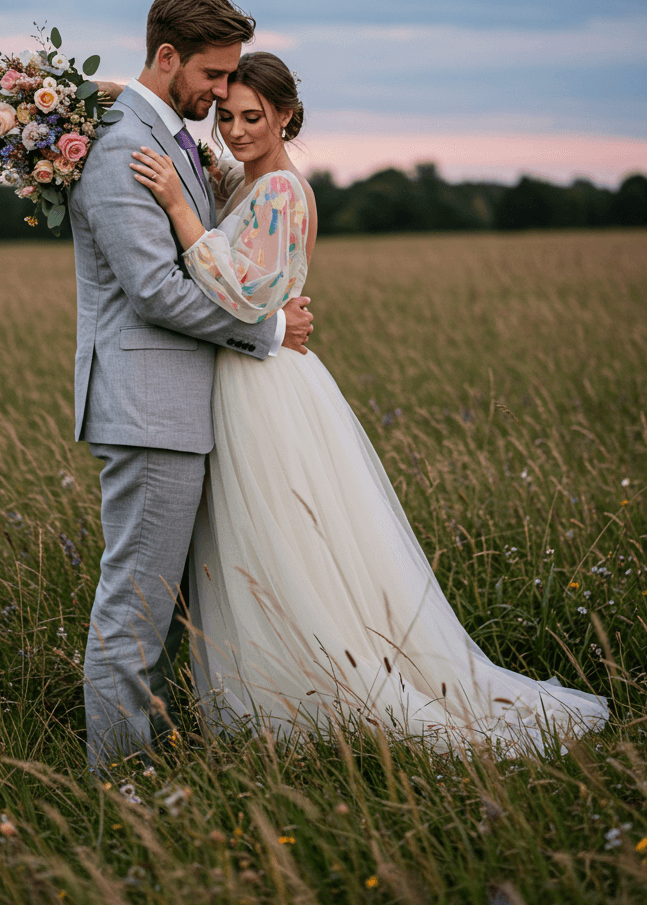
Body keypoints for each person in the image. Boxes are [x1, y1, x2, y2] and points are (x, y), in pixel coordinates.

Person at [129, 51, 609, 757]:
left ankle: (311, 694)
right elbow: (190, 143)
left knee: (282, 542)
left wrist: (175, 207)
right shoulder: (245, 183)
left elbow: (247, 294)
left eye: (252, 118)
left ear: (286, 116)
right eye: (226, 115)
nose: (234, 131)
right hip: (251, 375)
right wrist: (95, 97)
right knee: (255, 542)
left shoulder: (282, 193)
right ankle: (265, 690)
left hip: (261, 383)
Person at [69, 0, 313, 772]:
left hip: (179, 407)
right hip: (148, 408)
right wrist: (268, 329)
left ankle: (160, 746)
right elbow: (155, 290)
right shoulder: (118, 146)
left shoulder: (156, 128)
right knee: (135, 608)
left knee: (168, 610)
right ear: (167, 58)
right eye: (213, 76)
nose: (220, 94)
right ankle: (118, 780)